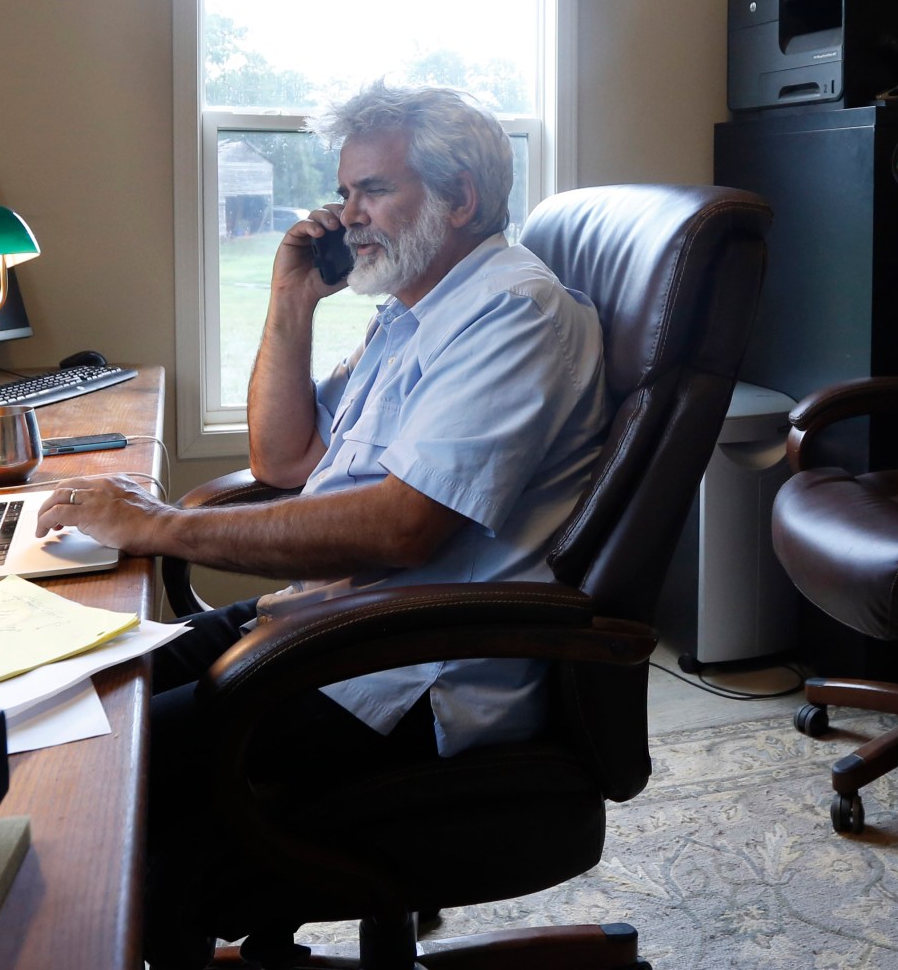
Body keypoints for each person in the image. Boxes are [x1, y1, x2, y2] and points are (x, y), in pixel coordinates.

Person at [37, 82, 608, 962]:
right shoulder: (413, 314)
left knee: (104, 780)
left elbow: (401, 529)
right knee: (80, 699)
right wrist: (291, 301)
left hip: (405, 671)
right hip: (325, 621)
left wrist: (160, 527)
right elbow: (286, 459)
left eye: (372, 189)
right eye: (344, 193)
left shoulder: (511, 312)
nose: (346, 217)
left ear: (460, 198)